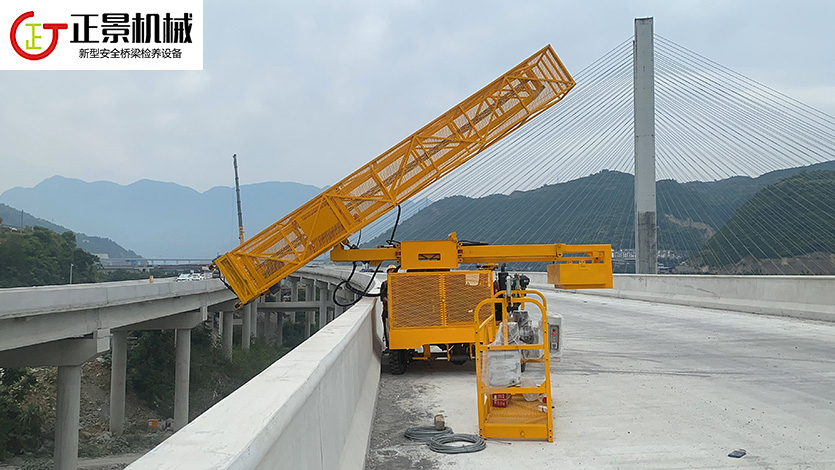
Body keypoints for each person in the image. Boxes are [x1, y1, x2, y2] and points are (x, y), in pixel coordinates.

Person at [380, 265, 397, 347]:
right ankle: (389, 345)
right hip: (387, 311)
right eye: (390, 270)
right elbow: (382, 296)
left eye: (394, 270)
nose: (392, 272)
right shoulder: (385, 284)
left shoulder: (399, 283)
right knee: (387, 330)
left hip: (397, 312)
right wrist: (389, 301)